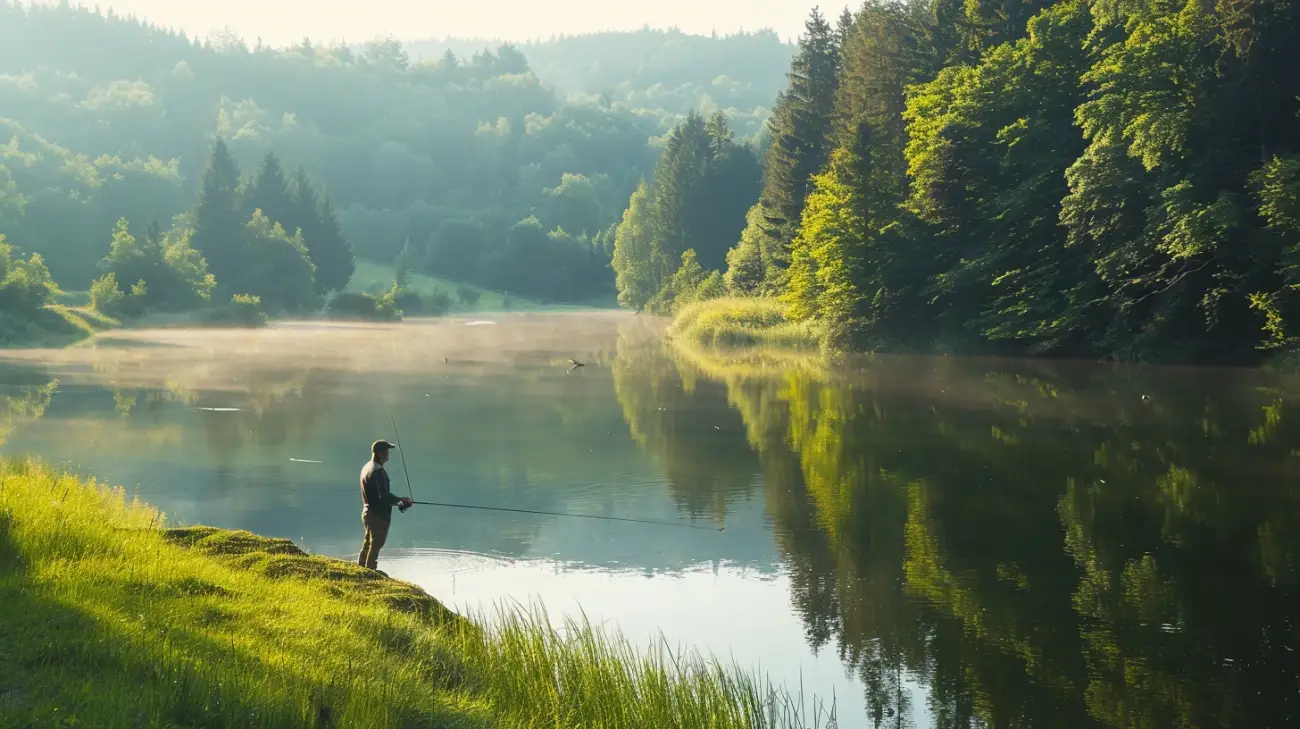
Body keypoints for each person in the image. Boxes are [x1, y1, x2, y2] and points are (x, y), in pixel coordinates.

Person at [358, 439, 413, 572]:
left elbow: (380, 496)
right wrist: (401, 501)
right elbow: (384, 496)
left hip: (367, 511)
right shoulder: (378, 471)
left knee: (368, 541)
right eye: (386, 451)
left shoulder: (367, 467)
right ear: (380, 453)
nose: (388, 454)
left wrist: (399, 502)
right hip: (377, 515)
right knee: (376, 544)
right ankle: (371, 570)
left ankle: (361, 567)